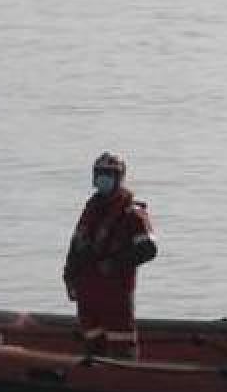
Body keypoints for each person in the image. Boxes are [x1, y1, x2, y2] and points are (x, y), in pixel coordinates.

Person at [63, 152, 157, 358]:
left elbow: (148, 249)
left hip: (115, 290)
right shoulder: (91, 208)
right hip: (88, 289)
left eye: (109, 174)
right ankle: (93, 373)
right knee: (93, 341)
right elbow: (76, 244)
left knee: (121, 341)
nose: (103, 178)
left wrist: (114, 263)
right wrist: (68, 276)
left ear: (118, 178)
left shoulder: (132, 214)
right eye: (101, 174)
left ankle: (124, 377)